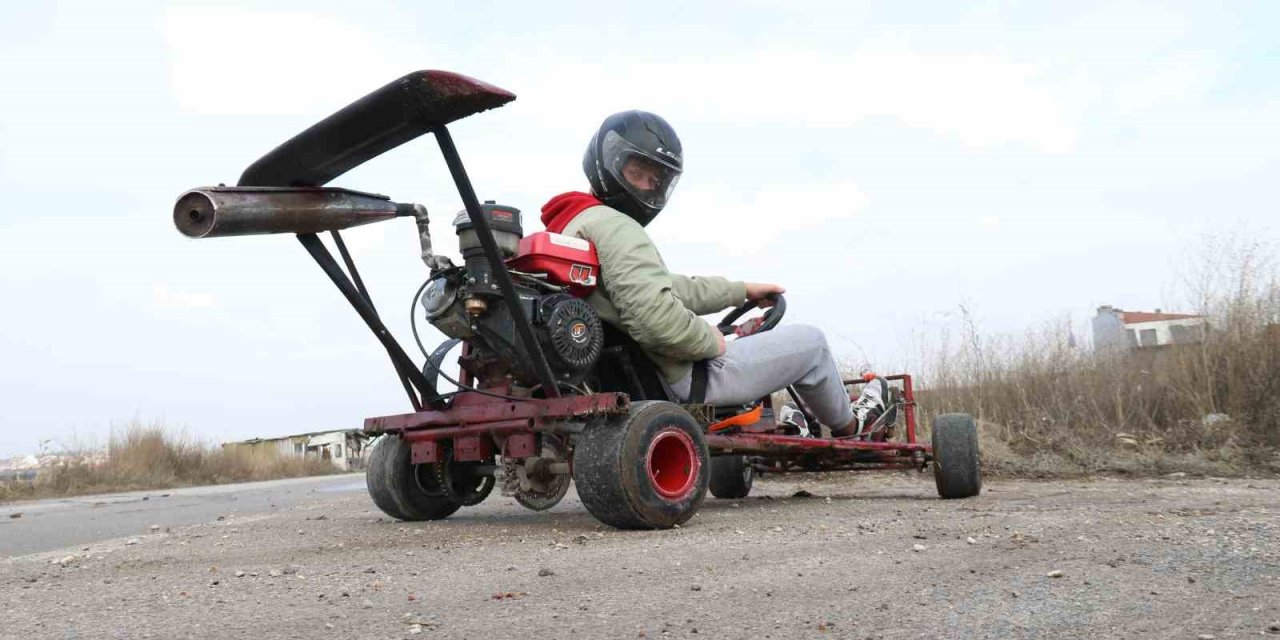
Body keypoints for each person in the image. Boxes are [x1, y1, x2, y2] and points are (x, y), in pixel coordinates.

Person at [540, 110, 884, 437]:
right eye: (636, 174)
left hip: (637, 375)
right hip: (688, 379)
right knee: (812, 342)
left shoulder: (576, 225)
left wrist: (740, 291)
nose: (645, 187)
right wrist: (711, 341)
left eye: (654, 180)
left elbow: (663, 288)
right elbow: (655, 319)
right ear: (609, 163)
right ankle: (852, 428)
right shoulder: (619, 228)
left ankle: (810, 418)